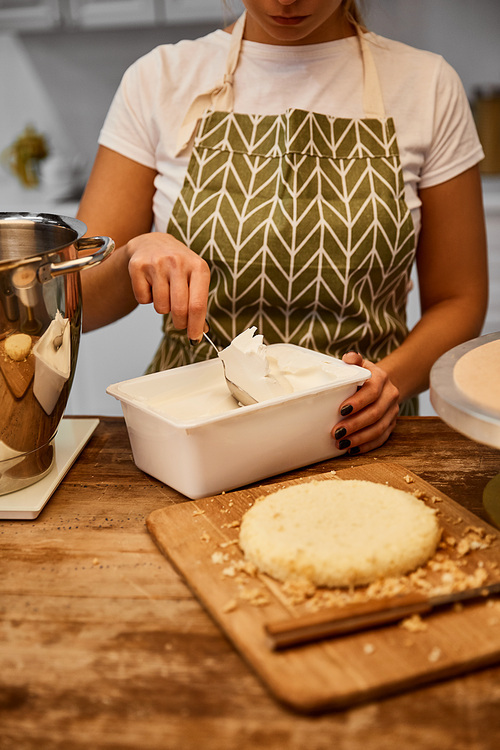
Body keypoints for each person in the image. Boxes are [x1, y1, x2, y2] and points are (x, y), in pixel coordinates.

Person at [77, 0, 488, 456]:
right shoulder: (158, 80)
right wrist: (135, 252)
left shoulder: (427, 85)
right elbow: (76, 305)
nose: (286, 0)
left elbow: (459, 298)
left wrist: (387, 382)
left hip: (359, 435)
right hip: (197, 437)